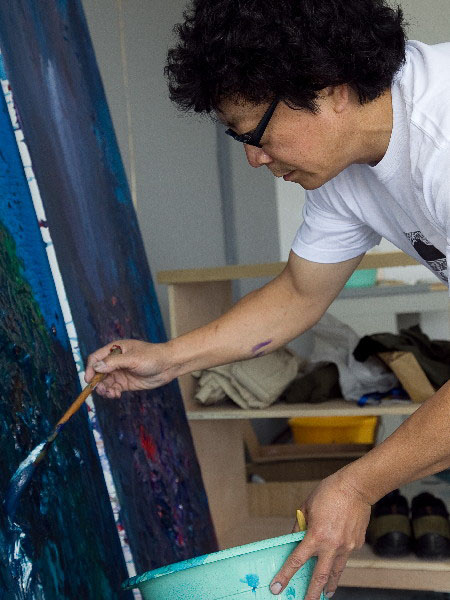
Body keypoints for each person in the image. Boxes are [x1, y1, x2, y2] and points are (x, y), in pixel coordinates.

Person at [85, 1, 450, 598]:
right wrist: (170, 358)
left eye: (255, 133)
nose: (254, 157)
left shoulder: (442, 139)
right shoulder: (344, 165)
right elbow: (300, 293)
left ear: (331, 90)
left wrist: (359, 485)